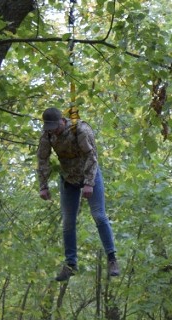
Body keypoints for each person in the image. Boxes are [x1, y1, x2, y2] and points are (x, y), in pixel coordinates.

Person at [37, 107, 119, 282]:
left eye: (54, 126)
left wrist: (89, 183)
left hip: (90, 174)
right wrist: (43, 186)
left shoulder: (80, 130)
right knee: (68, 221)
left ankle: (112, 259)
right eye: (49, 127)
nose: (53, 130)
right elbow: (42, 159)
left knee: (99, 215)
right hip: (68, 178)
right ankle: (70, 264)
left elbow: (92, 156)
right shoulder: (48, 135)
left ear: (62, 120)